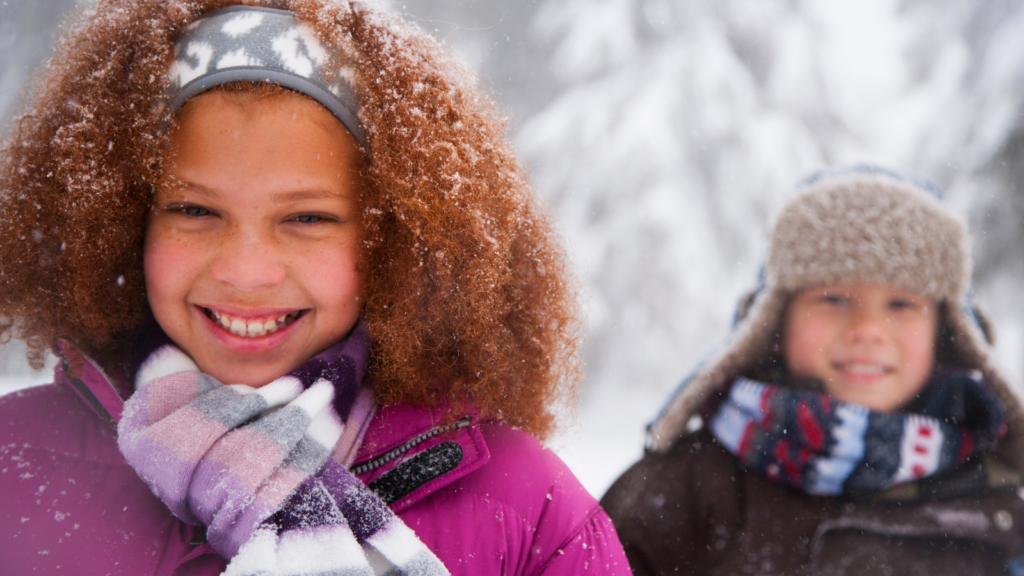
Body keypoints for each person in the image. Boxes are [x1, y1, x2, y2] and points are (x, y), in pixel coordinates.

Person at [0, 2, 630, 574]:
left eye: (307, 218)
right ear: (118, 223)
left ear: (396, 241)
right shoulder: (11, 467)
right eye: (194, 210)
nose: (247, 272)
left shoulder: (529, 518)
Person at [602, 166, 1024, 575]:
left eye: (901, 304)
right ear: (774, 323)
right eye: (834, 299)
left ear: (947, 334)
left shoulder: (998, 509)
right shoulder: (686, 490)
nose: (868, 329)